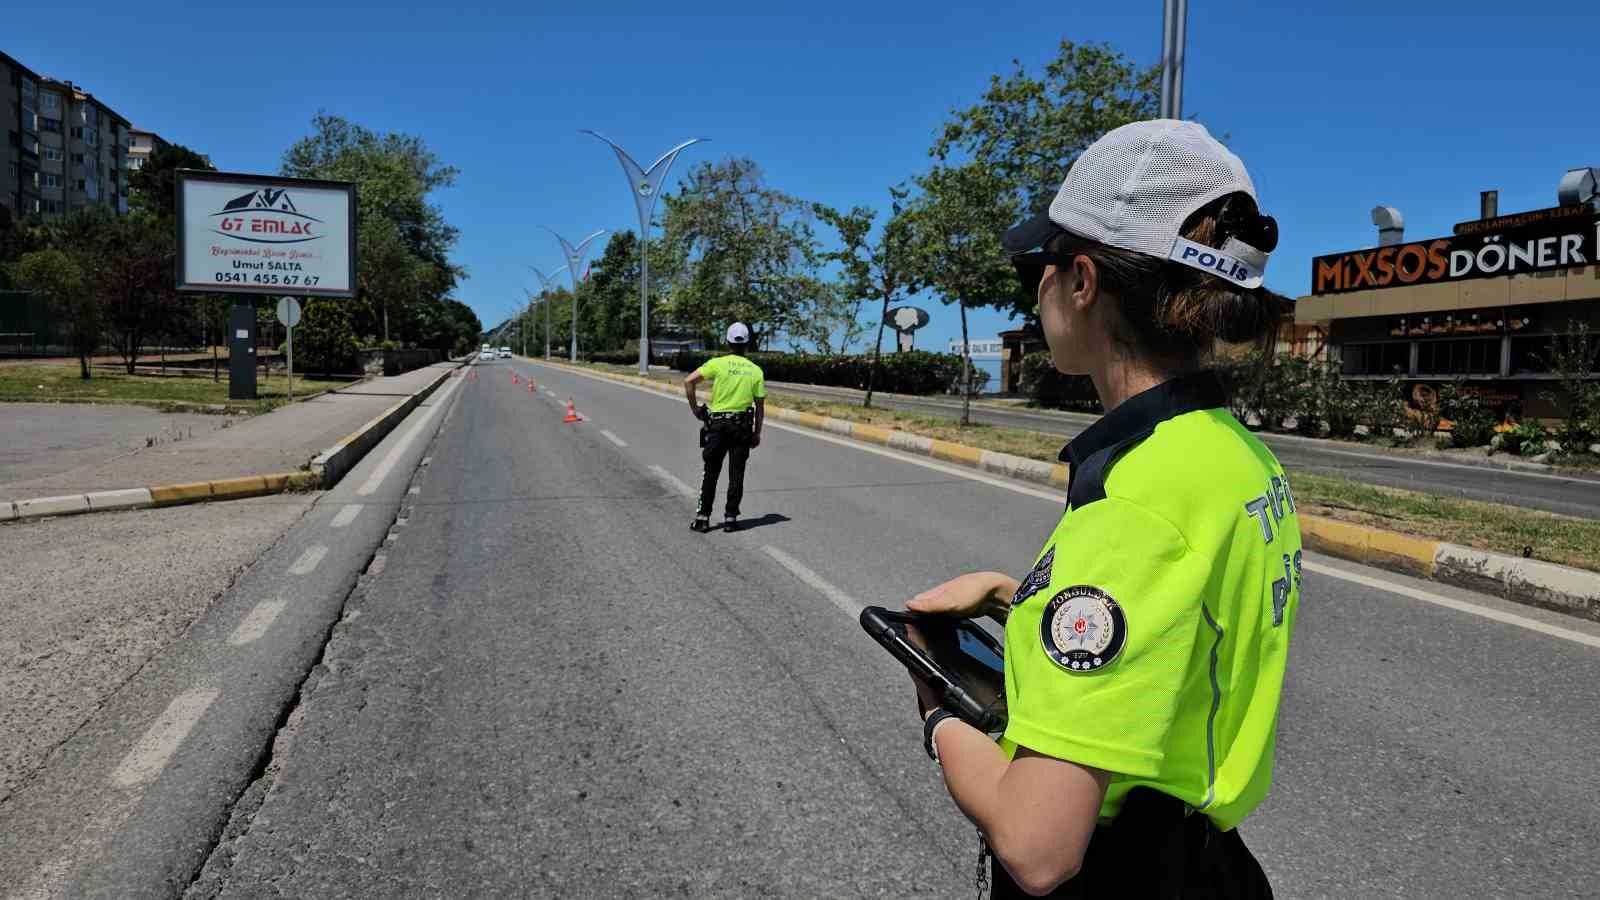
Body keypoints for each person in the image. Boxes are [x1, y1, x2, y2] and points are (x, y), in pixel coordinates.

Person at [906, 119, 1301, 898]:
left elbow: (1038, 844)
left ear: (1081, 281)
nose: (1038, 287)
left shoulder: (1136, 499)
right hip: (1208, 865)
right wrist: (1015, 595)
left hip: (1125, 874)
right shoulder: (1234, 455)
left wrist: (939, 710)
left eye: (1041, 266)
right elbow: (1180, 628)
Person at [683, 322, 766, 533]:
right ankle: (730, 519)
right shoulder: (755, 371)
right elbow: (759, 407)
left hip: (718, 426)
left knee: (711, 472)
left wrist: (695, 409)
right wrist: (756, 434)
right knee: (736, 474)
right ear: (747, 343)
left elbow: (689, 381)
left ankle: (703, 518)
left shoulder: (717, 364)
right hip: (743, 427)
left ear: (727, 342)